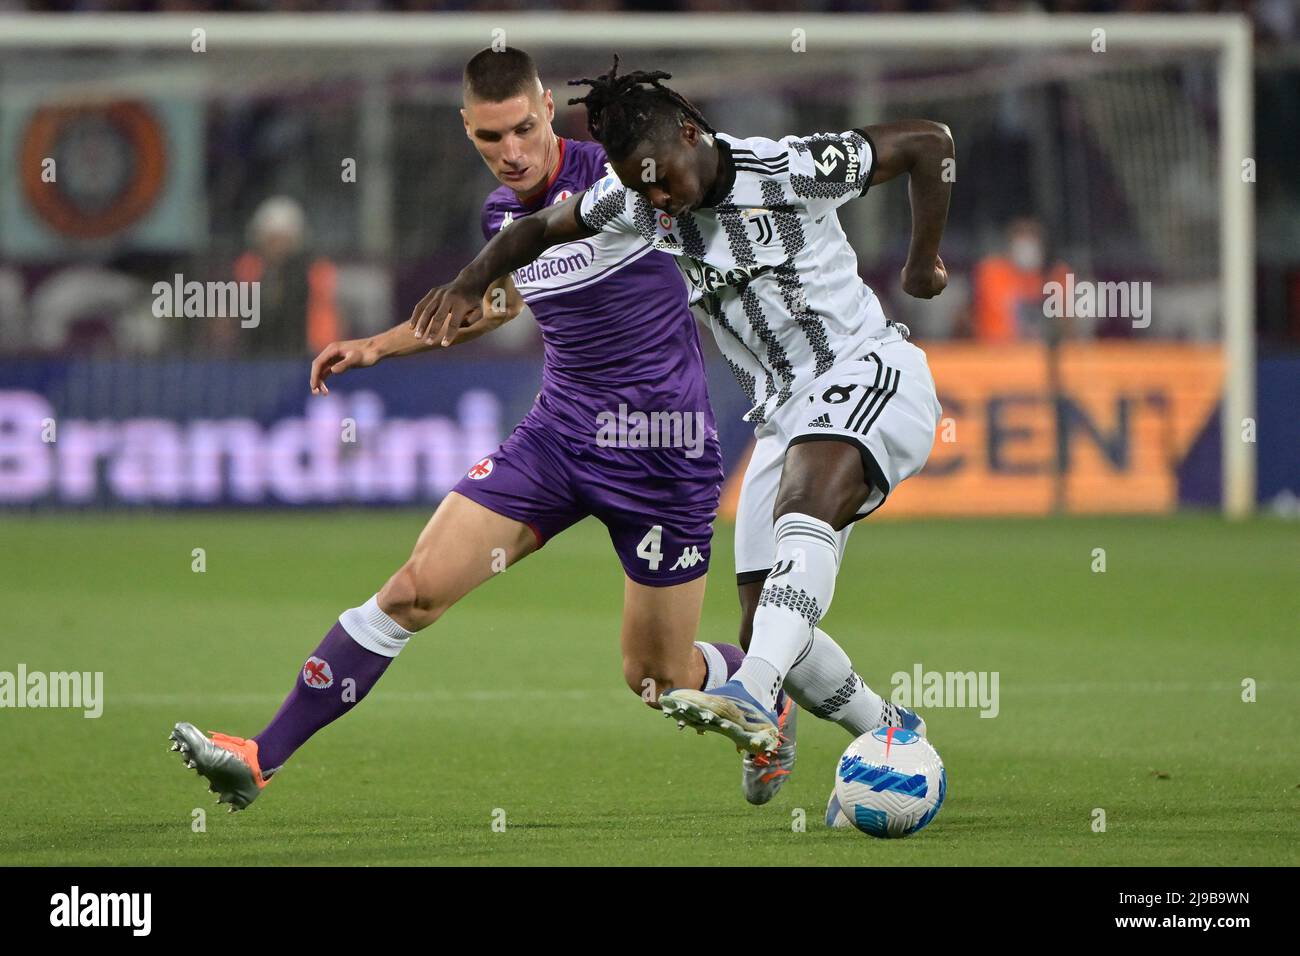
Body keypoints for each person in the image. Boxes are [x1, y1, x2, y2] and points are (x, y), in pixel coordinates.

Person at [169, 47, 749, 811]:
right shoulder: (500, 216)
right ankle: (258, 756)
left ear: (548, 105)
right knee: (414, 592)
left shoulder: (625, 176)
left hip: (663, 455)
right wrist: (381, 344)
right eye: (488, 138)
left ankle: (768, 680)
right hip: (559, 440)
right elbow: (497, 307)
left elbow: (724, 193)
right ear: (466, 128)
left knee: (658, 679)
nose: (508, 152)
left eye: (519, 129)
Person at [410, 57, 951, 817]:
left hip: (868, 371)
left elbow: (929, 141)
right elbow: (535, 229)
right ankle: (891, 734)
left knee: (805, 509)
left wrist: (922, 262)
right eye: (640, 187)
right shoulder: (637, 204)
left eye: (662, 179)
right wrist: (470, 281)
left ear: (692, 134)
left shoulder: (792, 167)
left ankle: (750, 694)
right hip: (783, 412)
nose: (657, 199)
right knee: (767, 619)